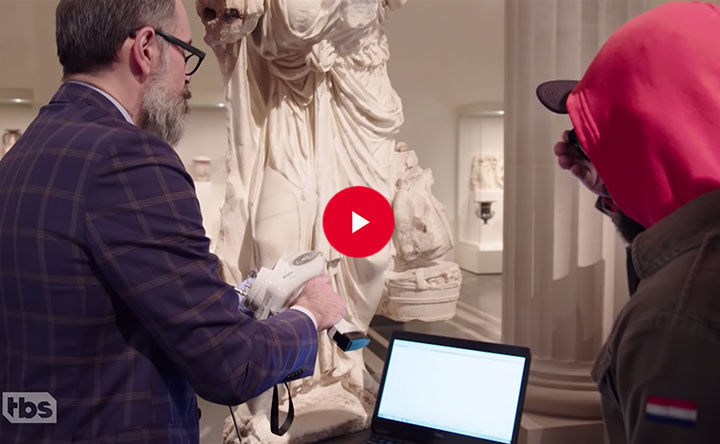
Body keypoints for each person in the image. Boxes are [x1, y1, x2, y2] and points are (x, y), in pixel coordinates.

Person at [0, 0, 345, 443]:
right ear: (146, 48)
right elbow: (230, 366)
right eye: (185, 52)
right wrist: (308, 314)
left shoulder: (22, 157)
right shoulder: (127, 159)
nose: (186, 77)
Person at [537, 2, 720, 443]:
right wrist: (619, 190)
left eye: (591, 133)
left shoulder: (674, 319)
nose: (578, 150)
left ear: (643, 132)